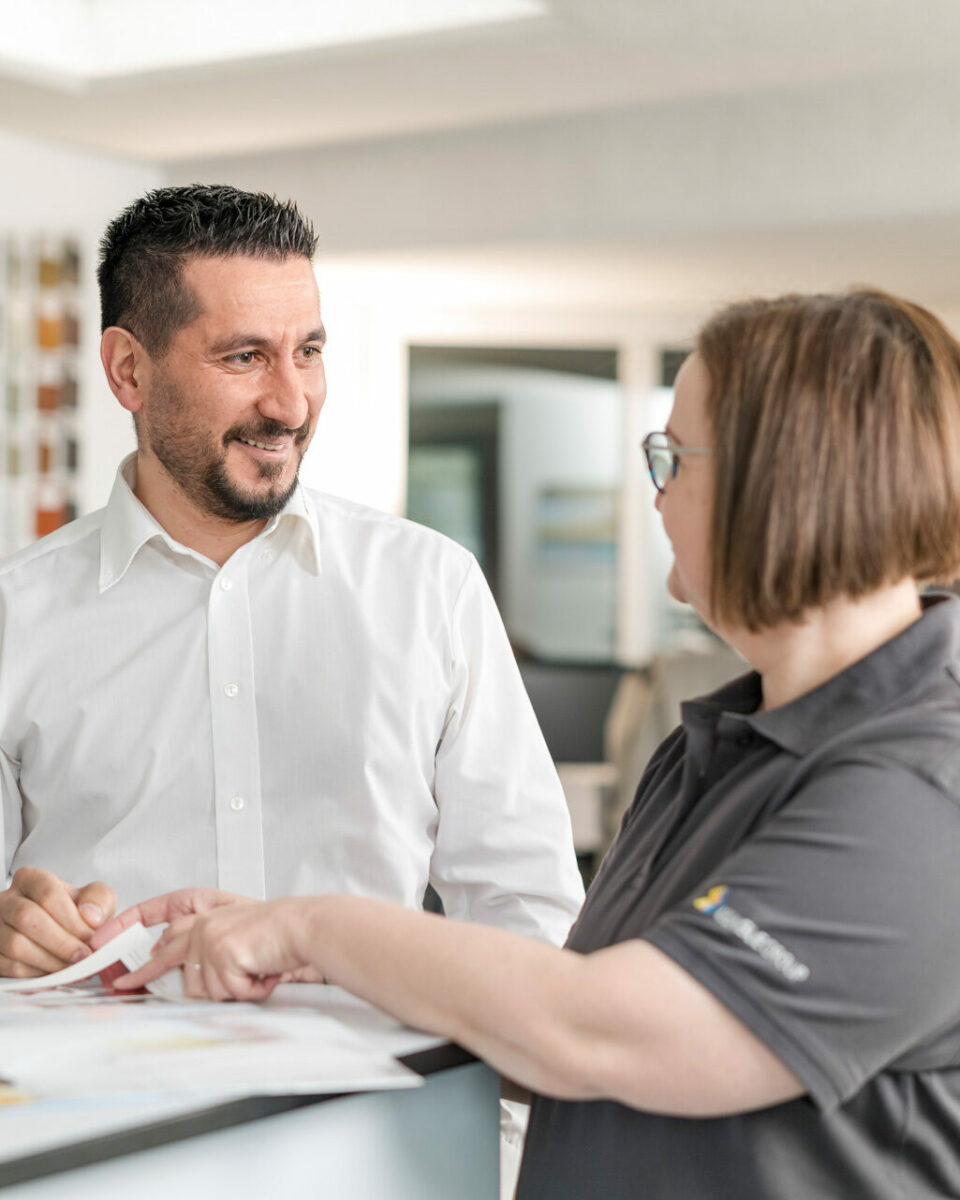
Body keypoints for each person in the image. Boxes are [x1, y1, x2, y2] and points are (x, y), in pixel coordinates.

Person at [119, 289, 960, 1199]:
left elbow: (602, 1035)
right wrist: (299, 952)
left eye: (673, 456)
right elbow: (543, 1031)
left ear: (785, 481)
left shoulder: (924, 788)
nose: (657, 492)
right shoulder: (722, 743)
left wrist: (314, 924)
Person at [0, 184, 584, 978]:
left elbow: (530, 917)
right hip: (102, 1060)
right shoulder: (17, 615)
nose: (291, 403)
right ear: (129, 370)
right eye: (244, 357)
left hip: (379, 1062)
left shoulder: (431, 590)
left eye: (308, 352)